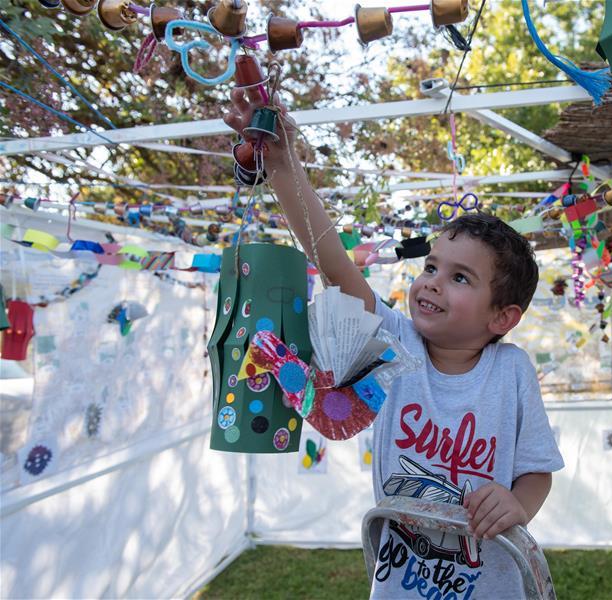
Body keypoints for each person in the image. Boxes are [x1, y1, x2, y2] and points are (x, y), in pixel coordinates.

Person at [225, 88, 564, 599]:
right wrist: (281, 163)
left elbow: (537, 471)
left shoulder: (512, 370)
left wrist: (518, 505)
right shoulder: (393, 341)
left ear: (503, 317)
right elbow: (333, 260)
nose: (430, 281)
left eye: (460, 278)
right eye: (430, 267)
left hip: (494, 584)